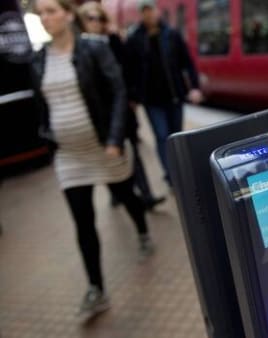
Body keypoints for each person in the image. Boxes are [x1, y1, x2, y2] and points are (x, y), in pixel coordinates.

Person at [32, 0, 154, 316]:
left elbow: (118, 92)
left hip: (104, 147)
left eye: (51, 11)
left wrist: (115, 139)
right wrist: (49, 138)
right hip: (69, 155)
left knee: (126, 195)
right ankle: (96, 289)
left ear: (68, 14)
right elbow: (43, 106)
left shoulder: (94, 48)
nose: (45, 18)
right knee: (83, 221)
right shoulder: (38, 58)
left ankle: (142, 230)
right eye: (40, 12)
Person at [76, 1, 166, 210]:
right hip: (97, 115)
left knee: (133, 152)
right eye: (90, 18)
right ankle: (117, 193)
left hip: (121, 109)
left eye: (99, 17)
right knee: (107, 156)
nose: (96, 22)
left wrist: (133, 97)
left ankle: (146, 195)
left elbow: (129, 69)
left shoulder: (114, 41)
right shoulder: (78, 50)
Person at [125, 0, 202, 185]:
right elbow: (130, 71)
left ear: (157, 11)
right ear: (140, 14)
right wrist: (134, 97)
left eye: (150, 10)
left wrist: (194, 87)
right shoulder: (134, 39)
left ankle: (182, 171)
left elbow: (187, 62)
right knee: (162, 136)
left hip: (174, 96)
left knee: (177, 136)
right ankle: (171, 176)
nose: (148, 14)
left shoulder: (172, 34)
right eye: (144, 11)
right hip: (152, 101)